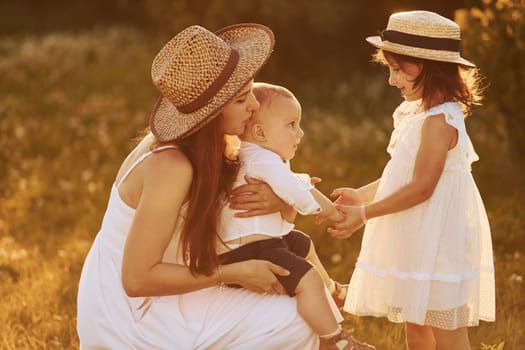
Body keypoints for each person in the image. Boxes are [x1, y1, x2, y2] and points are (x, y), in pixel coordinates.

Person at [77, 23, 321, 349]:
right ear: (211, 114)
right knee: (295, 318)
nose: (254, 106)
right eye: (241, 99)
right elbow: (136, 279)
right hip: (131, 313)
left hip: (172, 285)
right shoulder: (170, 166)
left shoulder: (213, 147)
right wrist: (235, 273)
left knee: (303, 303)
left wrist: (281, 201)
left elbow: (237, 207)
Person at [327, 11, 495, 350]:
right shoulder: (418, 114)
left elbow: (422, 187)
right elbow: (400, 173)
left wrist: (365, 215)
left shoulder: (439, 121)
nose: (392, 80)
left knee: (447, 333)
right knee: (416, 325)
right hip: (420, 237)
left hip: (440, 241)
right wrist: (361, 195)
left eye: (398, 69)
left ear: (427, 66)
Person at [217, 82, 375, 350]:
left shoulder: (261, 157)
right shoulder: (262, 160)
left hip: (261, 244)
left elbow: (290, 198)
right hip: (248, 251)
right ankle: (333, 339)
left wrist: (304, 190)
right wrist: (327, 210)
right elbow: (296, 190)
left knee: (303, 243)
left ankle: (333, 292)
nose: (300, 133)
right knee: (308, 278)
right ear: (260, 132)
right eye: (291, 125)